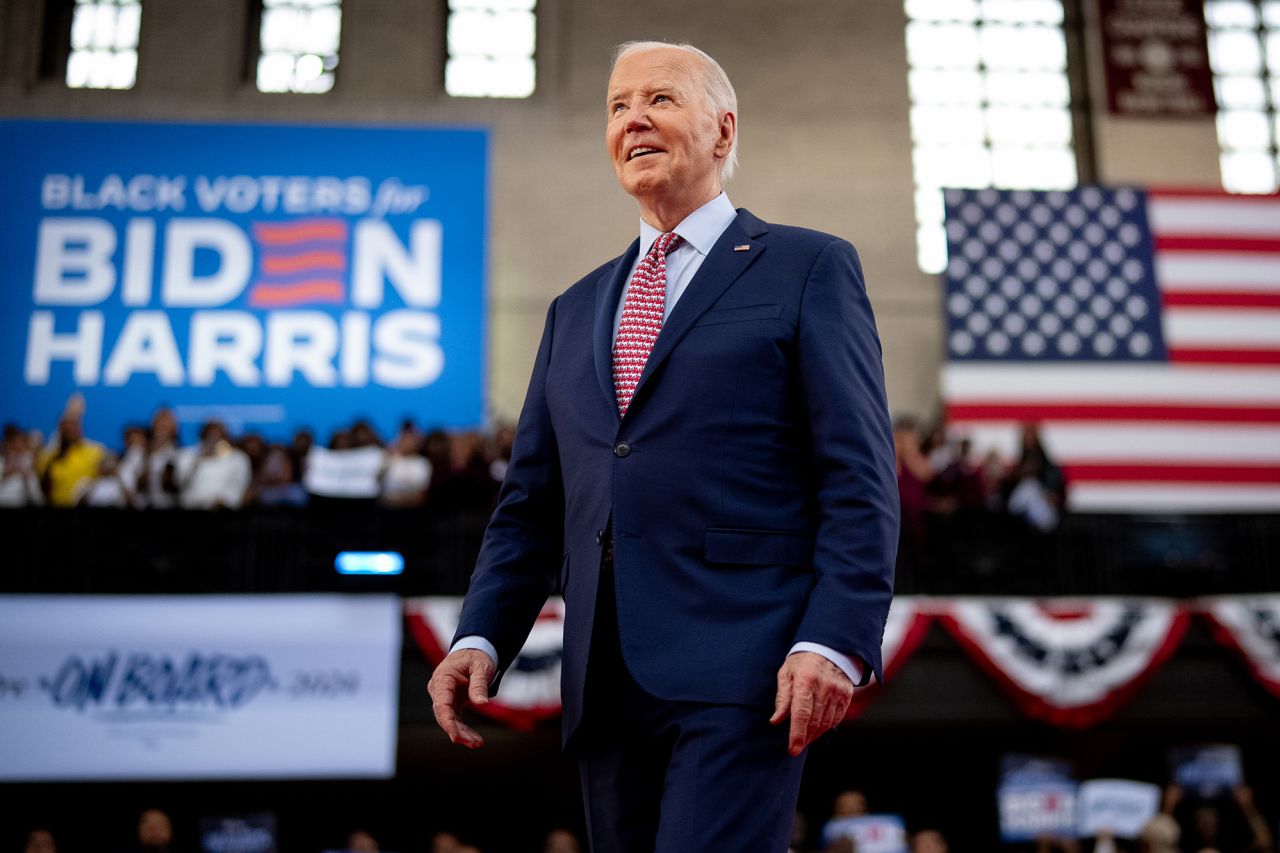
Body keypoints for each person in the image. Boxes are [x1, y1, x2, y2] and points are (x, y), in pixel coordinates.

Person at [427, 40, 897, 853]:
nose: (633, 118)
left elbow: (859, 475)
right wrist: (479, 635)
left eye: (660, 99)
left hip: (746, 668)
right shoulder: (573, 309)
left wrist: (835, 636)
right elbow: (532, 507)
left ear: (722, 130)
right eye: (616, 105)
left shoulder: (808, 266)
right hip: (602, 683)